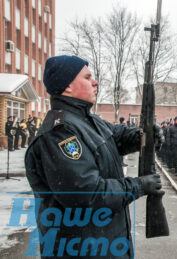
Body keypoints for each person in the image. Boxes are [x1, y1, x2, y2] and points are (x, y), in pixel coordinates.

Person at [25, 55, 164, 258]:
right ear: (68, 86)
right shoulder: (60, 131)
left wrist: (144, 136)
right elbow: (85, 194)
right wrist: (138, 186)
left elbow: (116, 136)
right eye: (87, 77)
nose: (95, 82)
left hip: (104, 243)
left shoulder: (87, 120)